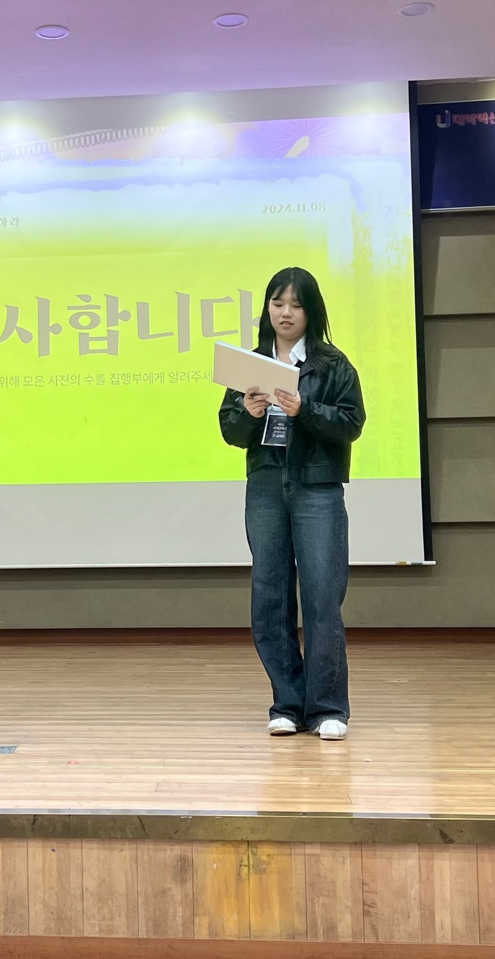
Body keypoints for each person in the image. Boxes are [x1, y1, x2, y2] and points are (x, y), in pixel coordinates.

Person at [218, 267, 365, 741]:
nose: (285, 313)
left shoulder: (332, 364)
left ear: (311, 311)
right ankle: (287, 703)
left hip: (317, 487)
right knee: (270, 595)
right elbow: (230, 430)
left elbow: (351, 423)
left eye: (296, 305)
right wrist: (247, 413)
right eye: (278, 303)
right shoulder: (250, 364)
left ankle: (327, 708)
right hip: (266, 485)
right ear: (267, 308)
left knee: (322, 597)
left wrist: (307, 410)